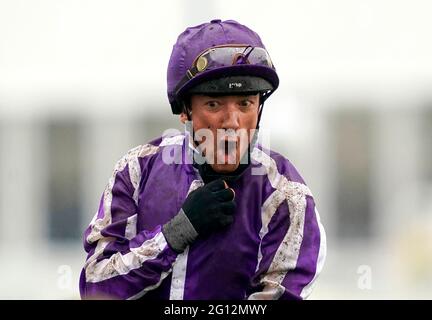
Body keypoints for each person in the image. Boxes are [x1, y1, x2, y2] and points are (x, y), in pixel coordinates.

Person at [79, 19, 326, 300]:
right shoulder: (136, 170)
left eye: (244, 104)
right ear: (185, 111)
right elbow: (95, 287)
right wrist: (177, 232)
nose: (232, 122)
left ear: (259, 108)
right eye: (213, 104)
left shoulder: (286, 194)